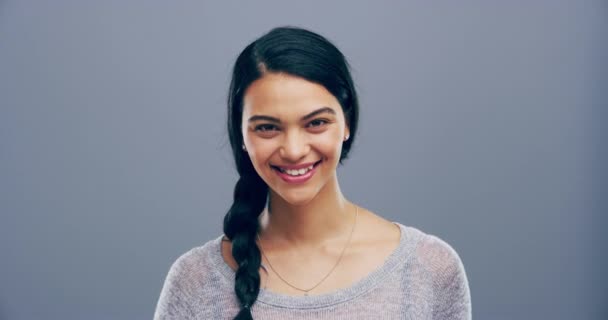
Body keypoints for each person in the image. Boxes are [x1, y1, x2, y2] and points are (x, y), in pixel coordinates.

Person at [154, 26, 471, 320]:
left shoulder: (427, 268)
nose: (293, 150)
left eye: (316, 123)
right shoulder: (195, 281)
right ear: (242, 138)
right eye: (267, 127)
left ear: (346, 123)